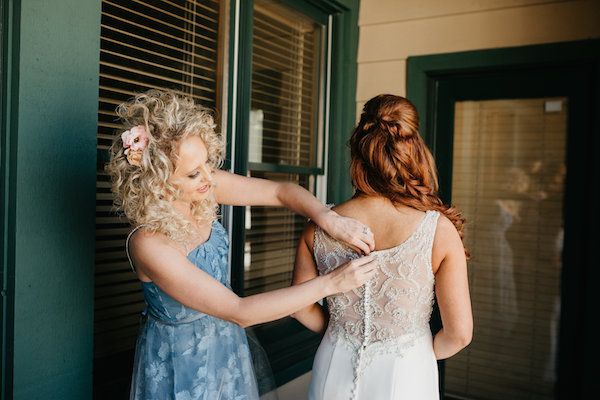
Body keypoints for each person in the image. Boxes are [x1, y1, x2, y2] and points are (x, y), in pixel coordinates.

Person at [106, 89, 378, 400]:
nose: (209, 177)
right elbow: (240, 311)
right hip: (181, 359)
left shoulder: (202, 186)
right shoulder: (148, 243)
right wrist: (332, 282)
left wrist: (328, 218)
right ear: (157, 182)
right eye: (194, 173)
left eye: (208, 163)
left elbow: (280, 192)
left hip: (225, 342)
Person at [291, 94, 473, 400]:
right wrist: (415, 354)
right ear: (412, 151)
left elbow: (298, 307)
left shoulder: (319, 227)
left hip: (333, 366)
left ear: (357, 154)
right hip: (407, 374)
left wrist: (340, 335)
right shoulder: (437, 230)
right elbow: (460, 334)